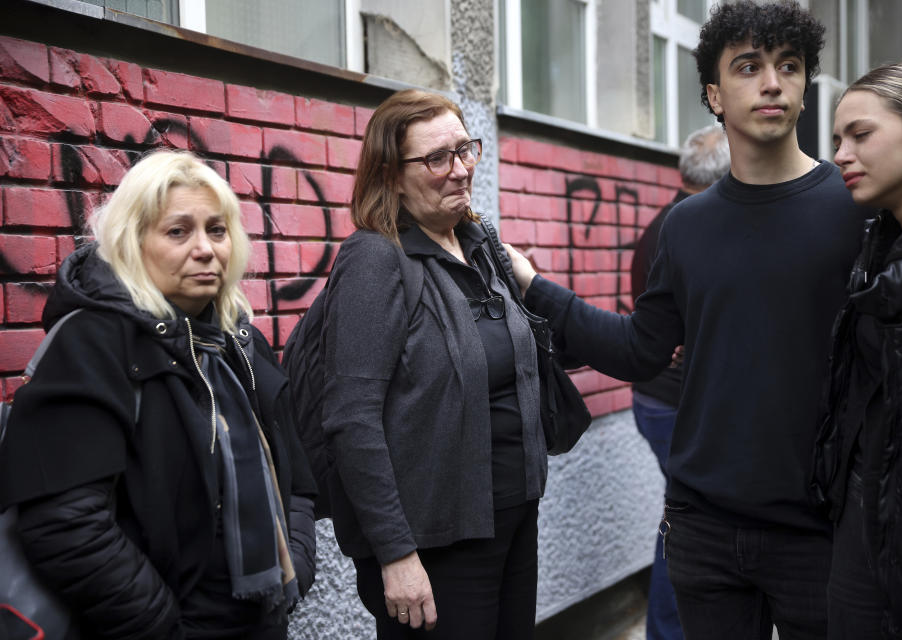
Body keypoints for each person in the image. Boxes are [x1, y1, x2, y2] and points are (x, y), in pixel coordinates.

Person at [506, 2, 867, 638]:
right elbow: (642, 350)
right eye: (749, 67)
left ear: (806, 86)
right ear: (713, 93)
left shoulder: (852, 207)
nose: (772, 82)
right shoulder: (687, 225)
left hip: (822, 529)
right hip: (706, 529)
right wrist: (537, 288)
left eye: (789, 66)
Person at [0, 151, 317, 639]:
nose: (205, 249)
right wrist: (164, 626)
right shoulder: (92, 344)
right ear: (133, 241)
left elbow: (294, 478)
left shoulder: (239, 342)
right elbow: (65, 523)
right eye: (177, 232)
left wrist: (294, 564)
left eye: (217, 230)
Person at [305, 89, 546, 639]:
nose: (461, 170)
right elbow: (351, 416)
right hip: (436, 545)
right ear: (390, 175)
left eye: (466, 150)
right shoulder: (375, 259)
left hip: (513, 518)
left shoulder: (479, 246)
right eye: (438, 158)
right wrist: (395, 553)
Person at [814, 61, 902, 639]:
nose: (841, 155)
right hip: (865, 523)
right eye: (836, 141)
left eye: (861, 135)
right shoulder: (878, 248)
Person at [629, 124, 728, 640]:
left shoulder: (663, 223)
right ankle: (668, 632)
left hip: (657, 401)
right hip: (675, 404)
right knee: (687, 522)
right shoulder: (689, 228)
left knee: (683, 516)